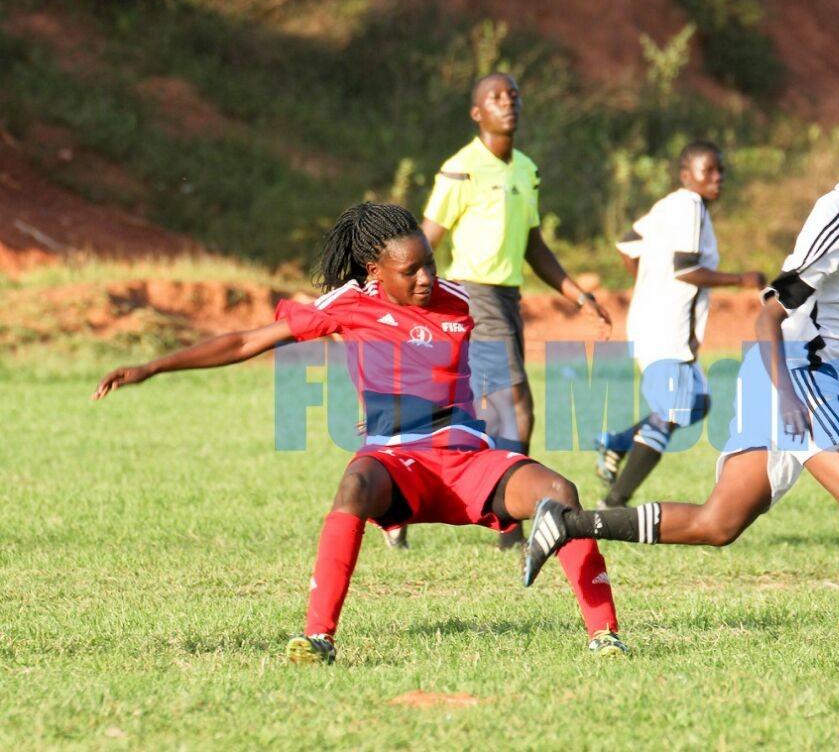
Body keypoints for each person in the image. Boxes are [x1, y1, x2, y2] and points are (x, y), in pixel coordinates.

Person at [523, 125, 839, 656]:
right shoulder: (835, 229)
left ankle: (567, 523)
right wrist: (786, 393)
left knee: (718, 523)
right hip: (794, 369)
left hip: (794, 375)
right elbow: (767, 315)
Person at [93, 202, 629, 663]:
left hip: (467, 460)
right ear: (376, 270)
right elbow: (243, 343)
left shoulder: (459, 301)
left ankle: (604, 636)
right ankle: (317, 636)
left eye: (430, 264)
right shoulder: (351, 304)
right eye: (411, 270)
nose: (425, 278)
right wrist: (152, 367)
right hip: (399, 463)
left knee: (559, 493)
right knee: (354, 484)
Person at [415, 72, 611, 552]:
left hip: (508, 298)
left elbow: (534, 246)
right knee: (518, 409)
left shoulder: (526, 169)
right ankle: (516, 523)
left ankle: (412, 493)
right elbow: (424, 240)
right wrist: (415, 297)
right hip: (473, 294)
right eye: (495, 97)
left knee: (484, 413)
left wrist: (577, 295)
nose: (508, 103)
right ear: (476, 112)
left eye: (514, 95)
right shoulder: (460, 169)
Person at [594, 140, 765, 509]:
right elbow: (687, 270)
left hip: (658, 323)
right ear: (687, 176)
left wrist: (648, 285)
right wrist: (741, 279)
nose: (718, 178)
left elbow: (626, 245)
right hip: (664, 328)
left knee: (698, 403)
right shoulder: (689, 206)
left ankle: (619, 441)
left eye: (721, 170)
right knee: (673, 411)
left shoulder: (670, 204)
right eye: (709, 171)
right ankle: (615, 501)